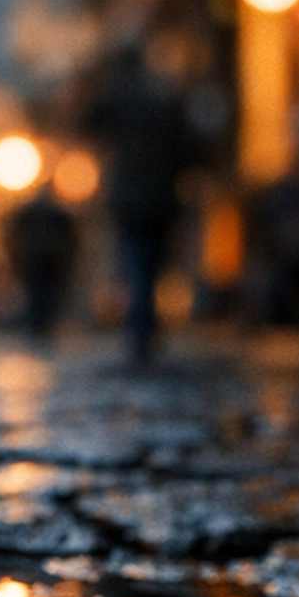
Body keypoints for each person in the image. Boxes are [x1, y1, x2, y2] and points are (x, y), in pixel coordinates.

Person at [84, 44, 196, 361]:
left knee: (137, 260)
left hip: (131, 197)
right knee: (151, 262)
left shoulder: (120, 99)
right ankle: (144, 324)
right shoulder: (165, 99)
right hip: (162, 196)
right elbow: (189, 148)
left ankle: (141, 325)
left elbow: (88, 121)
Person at [8, 186, 76, 337]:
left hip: (44, 259)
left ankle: (40, 324)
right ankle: (39, 324)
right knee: (41, 292)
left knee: (42, 292)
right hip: (41, 259)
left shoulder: (44, 214)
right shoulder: (49, 213)